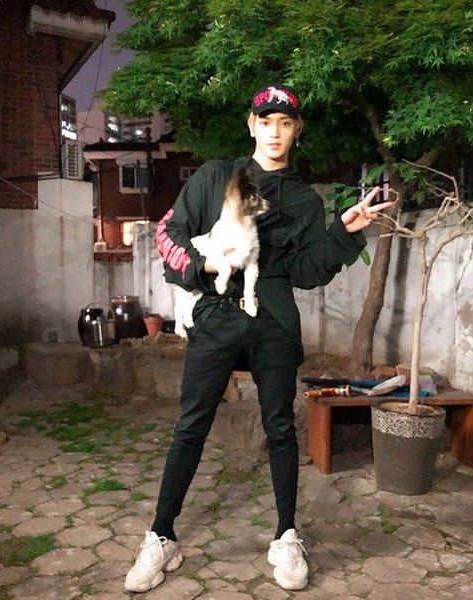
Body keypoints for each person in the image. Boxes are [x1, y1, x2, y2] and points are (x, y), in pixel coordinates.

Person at [125, 84, 393, 593]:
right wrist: (206, 266)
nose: (275, 132)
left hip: (273, 321)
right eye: (266, 122)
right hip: (217, 316)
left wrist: (345, 230)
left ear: (296, 131)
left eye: (285, 124)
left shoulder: (303, 200)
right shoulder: (214, 177)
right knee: (191, 426)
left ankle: (286, 535)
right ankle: (161, 536)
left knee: (280, 428)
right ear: (251, 125)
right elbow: (168, 233)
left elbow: (308, 271)